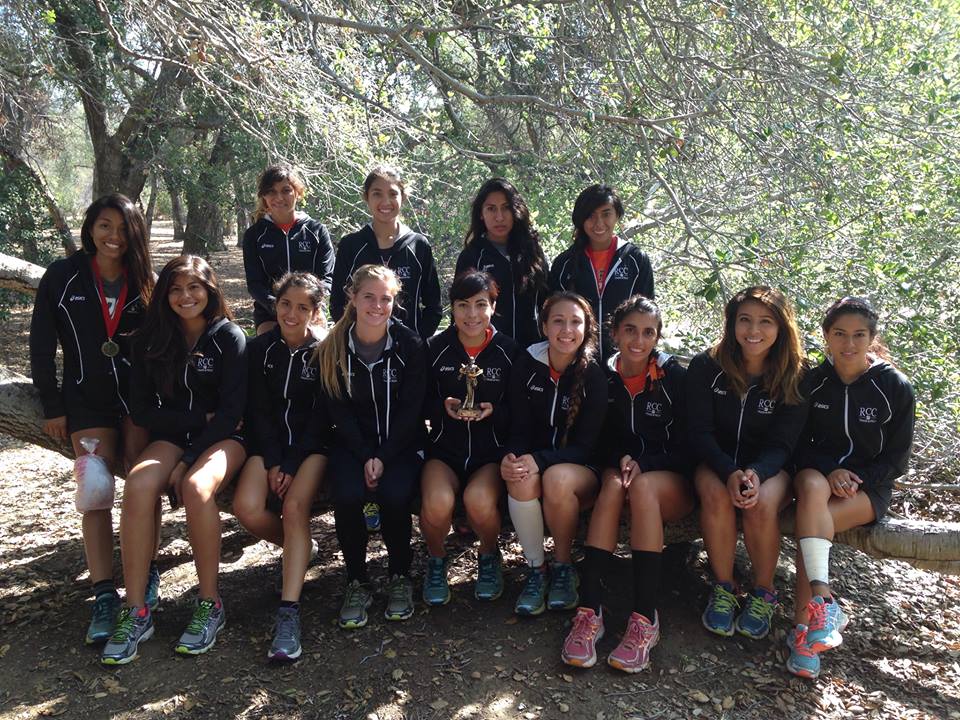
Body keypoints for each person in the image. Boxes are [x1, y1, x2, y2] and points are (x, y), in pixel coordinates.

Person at [101, 256, 247, 665]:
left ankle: (209, 603)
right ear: (165, 295)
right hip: (175, 434)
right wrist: (188, 424)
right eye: (176, 289)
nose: (186, 297)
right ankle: (136, 609)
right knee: (139, 484)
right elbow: (143, 411)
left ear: (210, 291)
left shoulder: (228, 337)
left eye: (194, 288)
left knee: (197, 487)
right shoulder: (152, 340)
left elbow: (231, 413)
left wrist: (187, 457)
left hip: (225, 437)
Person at [29, 193, 157, 645]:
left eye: (123, 229)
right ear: (90, 228)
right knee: (96, 489)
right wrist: (53, 405)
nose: (113, 237)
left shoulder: (145, 280)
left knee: (144, 486)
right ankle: (104, 592)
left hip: (140, 402)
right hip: (86, 402)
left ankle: (148, 571)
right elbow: (42, 344)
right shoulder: (62, 276)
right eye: (105, 226)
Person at [561, 295, 693, 671]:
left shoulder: (673, 378)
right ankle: (589, 613)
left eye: (648, 332)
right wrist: (618, 458)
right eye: (630, 330)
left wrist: (646, 463)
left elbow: (689, 447)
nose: (639, 340)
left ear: (658, 337)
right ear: (615, 332)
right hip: (619, 472)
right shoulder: (601, 376)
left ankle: (644, 619)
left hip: (668, 479)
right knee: (615, 485)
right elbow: (595, 440)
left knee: (641, 486)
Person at [786, 297, 915, 679]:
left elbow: (897, 460)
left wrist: (855, 479)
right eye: (839, 334)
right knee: (811, 491)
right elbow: (794, 444)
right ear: (826, 337)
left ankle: (805, 628)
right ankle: (821, 610)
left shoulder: (894, 387)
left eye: (859, 335)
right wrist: (831, 471)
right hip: (814, 477)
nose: (848, 344)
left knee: (813, 527)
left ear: (872, 338)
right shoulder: (812, 381)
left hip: (868, 490)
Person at [687, 286, 808, 642]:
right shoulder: (706, 366)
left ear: (782, 327)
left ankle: (763, 592)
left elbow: (784, 442)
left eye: (765, 322)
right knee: (714, 493)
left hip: (770, 467)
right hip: (717, 461)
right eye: (745, 320)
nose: (753, 330)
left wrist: (756, 473)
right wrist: (728, 471)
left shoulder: (796, 374)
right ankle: (724, 588)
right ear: (732, 324)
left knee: (762, 503)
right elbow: (699, 431)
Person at [317, 264, 426, 628]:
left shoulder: (410, 345)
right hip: (353, 447)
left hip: (401, 446)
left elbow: (412, 411)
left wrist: (384, 456)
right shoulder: (333, 346)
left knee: (395, 496)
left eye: (386, 299)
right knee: (347, 495)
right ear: (352, 297)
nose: (377, 306)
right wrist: (366, 456)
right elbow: (339, 413)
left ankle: (399, 576)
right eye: (369, 297)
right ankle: (356, 580)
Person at [232, 272, 329, 661]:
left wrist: (291, 463)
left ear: (315, 312)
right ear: (276, 305)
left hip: (312, 450)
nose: (292, 313)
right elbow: (258, 410)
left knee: (293, 509)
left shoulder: (324, 351)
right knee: (247, 509)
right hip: (267, 447)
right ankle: (301, 549)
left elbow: (322, 417)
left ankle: (288, 614)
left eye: (303, 307)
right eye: (286, 304)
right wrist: (273, 460)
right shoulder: (259, 350)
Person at [501, 292, 607, 616]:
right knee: (519, 476)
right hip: (538, 461)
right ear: (544, 326)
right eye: (558, 321)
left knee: (557, 479)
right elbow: (517, 427)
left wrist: (540, 460)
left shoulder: (594, 376)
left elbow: (586, 446)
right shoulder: (527, 365)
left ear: (586, 328)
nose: (566, 330)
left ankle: (563, 567)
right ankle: (537, 570)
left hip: (581, 467)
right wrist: (513, 455)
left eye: (575, 322)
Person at [421, 271, 519, 605]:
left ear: (493, 306)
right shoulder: (434, 348)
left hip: (489, 453)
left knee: (479, 500)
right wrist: (441, 406)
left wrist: (496, 411)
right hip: (445, 450)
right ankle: (436, 560)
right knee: (436, 502)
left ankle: (489, 556)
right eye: (463, 305)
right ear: (452, 308)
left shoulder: (508, 351)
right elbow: (416, 401)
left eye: (481, 304)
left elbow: (522, 409)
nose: (472, 314)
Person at [330, 165, 442, 341]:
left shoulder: (419, 246)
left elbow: (433, 306)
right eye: (377, 193)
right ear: (366, 197)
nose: (385, 201)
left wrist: (416, 342)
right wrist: (356, 340)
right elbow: (337, 303)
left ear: (403, 197)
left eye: (392, 194)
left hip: (407, 353)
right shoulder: (351, 245)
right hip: (360, 349)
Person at [548, 184, 654, 360]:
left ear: (617, 215)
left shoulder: (636, 260)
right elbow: (551, 316)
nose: (599, 223)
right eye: (590, 216)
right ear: (581, 219)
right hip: (576, 362)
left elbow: (648, 314)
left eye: (606, 214)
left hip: (624, 361)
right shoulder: (564, 263)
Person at [455, 178, 549, 347]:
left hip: (532, 351)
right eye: (491, 209)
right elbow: (459, 310)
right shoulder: (472, 256)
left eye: (506, 208)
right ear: (481, 214)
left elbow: (548, 303)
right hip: (488, 353)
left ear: (516, 210)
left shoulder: (532, 251)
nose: (499, 217)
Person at [242, 164, 335, 335]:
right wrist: (277, 306)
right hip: (269, 312)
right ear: (263, 196)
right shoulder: (254, 235)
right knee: (268, 348)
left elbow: (327, 278)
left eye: (286, 190)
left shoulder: (316, 231)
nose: (279, 197)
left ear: (298, 193)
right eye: (271, 191)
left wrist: (312, 306)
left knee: (320, 350)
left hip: (311, 310)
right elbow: (254, 284)